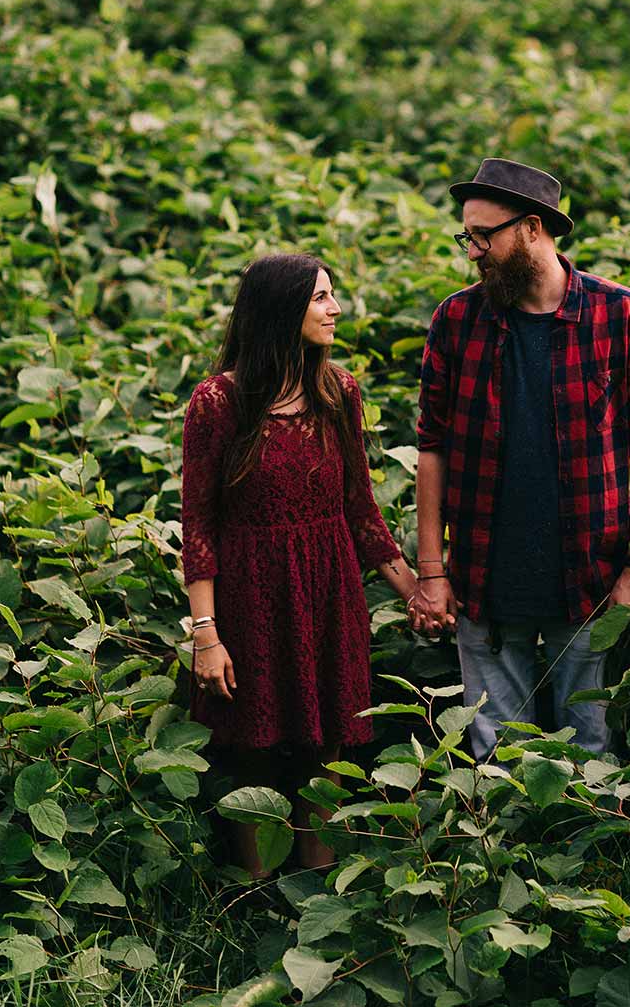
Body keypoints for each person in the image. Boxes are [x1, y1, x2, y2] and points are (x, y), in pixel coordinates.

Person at [410, 158, 630, 761]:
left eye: (483, 236)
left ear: (532, 228)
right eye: (466, 236)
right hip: (482, 576)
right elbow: (433, 447)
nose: (472, 251)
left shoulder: (621, 314)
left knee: (592, 748)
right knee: (495, 755)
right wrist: (432, 570)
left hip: (590, 575)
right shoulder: (457, 319)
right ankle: (506, 856)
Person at [181, 252, 419, 875]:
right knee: (252, 755)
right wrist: (206, 636)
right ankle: (253, 903)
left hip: (329, 591)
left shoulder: (339, 392)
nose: (335, 309)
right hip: (252, 597)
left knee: (327, 755)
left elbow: (361, 510)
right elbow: (200, 526)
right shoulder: (218, 404)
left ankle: (320, 897)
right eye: (320, 298)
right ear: (281, 310)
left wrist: (415, 590)